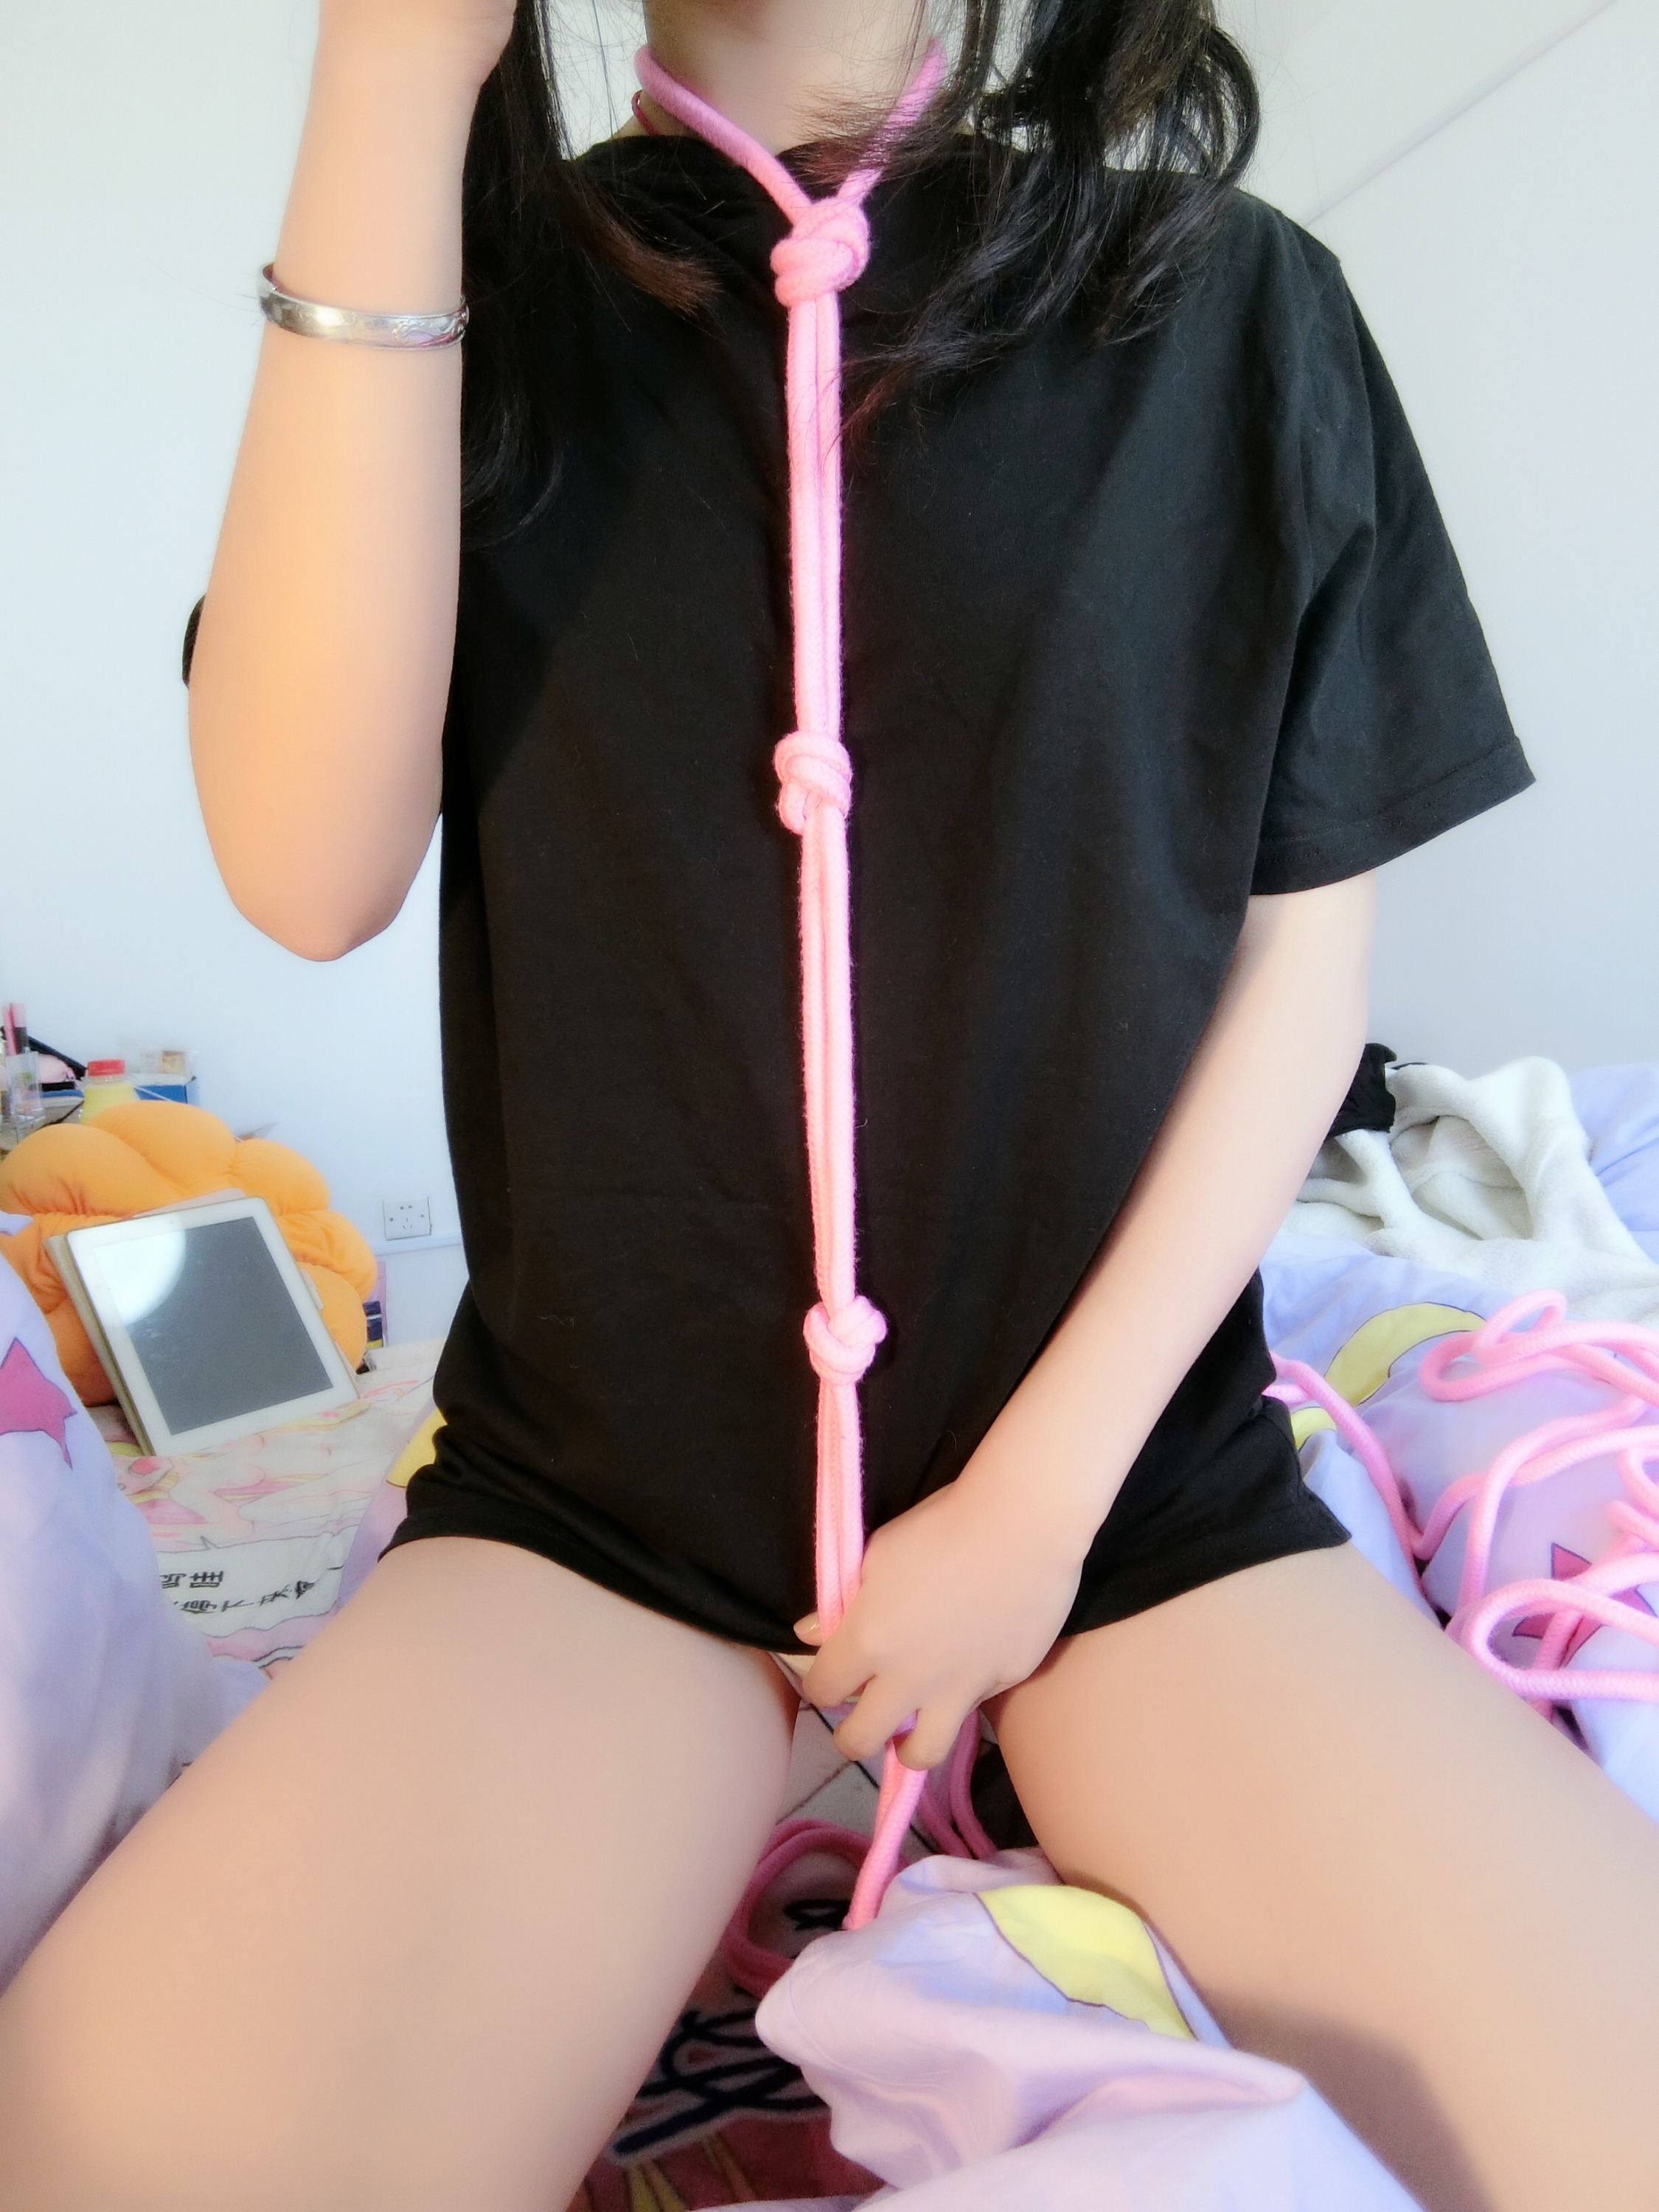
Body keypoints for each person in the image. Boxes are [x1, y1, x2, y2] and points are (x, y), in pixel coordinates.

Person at [3, 1, 1657, 2206]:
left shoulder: (1229, 305)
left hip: (1124, 1516)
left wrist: (1032, 1521)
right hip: (604, 1519)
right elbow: (309, 872)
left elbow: (1299, 973)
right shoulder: (470, 319)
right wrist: (391, 75)